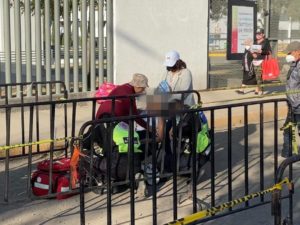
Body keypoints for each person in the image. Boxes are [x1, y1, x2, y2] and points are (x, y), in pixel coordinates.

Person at [282, 41, 300, 158]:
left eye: (290, 52)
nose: (288, 55)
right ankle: (287, 153)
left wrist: (297, 101)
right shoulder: (294, 64)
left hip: (298, 104)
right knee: (288, 129)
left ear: (297, 52)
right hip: (293, 104)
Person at [251, 28, 272, 95]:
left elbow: (269, 51)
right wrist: (252, 53)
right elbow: (252, 49)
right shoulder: (255, 41)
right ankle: (258, 88)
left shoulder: (266, 42)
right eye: (257, 34)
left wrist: (262, 51)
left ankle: (260, 90)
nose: (257, 35)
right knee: (257, 76)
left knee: (259, 76)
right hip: (255, 60)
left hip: (262, 60)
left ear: (263, 34)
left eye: (259, 34)